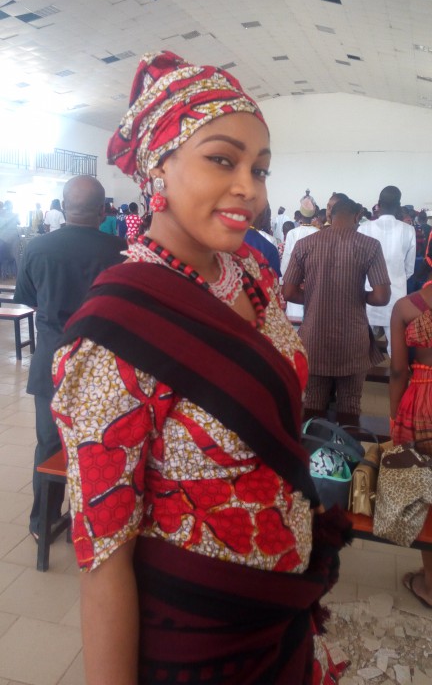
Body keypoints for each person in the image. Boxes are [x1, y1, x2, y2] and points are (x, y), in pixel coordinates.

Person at [51, 51, 350, 685]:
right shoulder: (116, 331)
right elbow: (105, 558)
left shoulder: (253, 274)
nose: (250, 188)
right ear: (158, 165)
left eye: (260, 169)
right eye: (223, 159)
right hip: (201, 638)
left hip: (282, 609)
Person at [13, 176, 127, 541]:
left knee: (49, 444)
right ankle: (91, 519)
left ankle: (43, 523)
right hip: (101, 364)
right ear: (102, 210)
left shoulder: (38, 247)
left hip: (51, 360)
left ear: (63, 207)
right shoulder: (120, 250)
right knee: (98, 446)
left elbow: (28, 299)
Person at [283, 198, 390, 420]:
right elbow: (381, 297)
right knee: (350, 403)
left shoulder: (305, 244)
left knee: (313, 403)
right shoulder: (370, 246)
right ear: (357, 216)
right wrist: (358, 296)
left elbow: (289, 292)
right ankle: (347, 441)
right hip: (353, 341)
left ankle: (314, 442)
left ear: (330, 215)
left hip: (314, 339)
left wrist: (315, 296)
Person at [390, 231, 432, 608]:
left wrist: (394, 420)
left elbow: (398, 371)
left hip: (421, 403)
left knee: (422, 490)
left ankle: (430, 583)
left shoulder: (407, 306)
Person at [358, 186, 416, 353]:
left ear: (378, 204)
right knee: (396, 351)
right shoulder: (408, 230)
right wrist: (396, 278)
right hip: (396, 297)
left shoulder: (364, 228)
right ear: (398, 206)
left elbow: (358, 266)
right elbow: (409, 269)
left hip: (369, 297)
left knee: (362, 347)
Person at [280, 200, 319, 319]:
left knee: (295, 319)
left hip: (295, 284)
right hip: (314, 283)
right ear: (313, 215)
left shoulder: (292, 233)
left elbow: (286, 261)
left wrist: (288, 280)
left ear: (300, 215)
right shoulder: (319, 233)